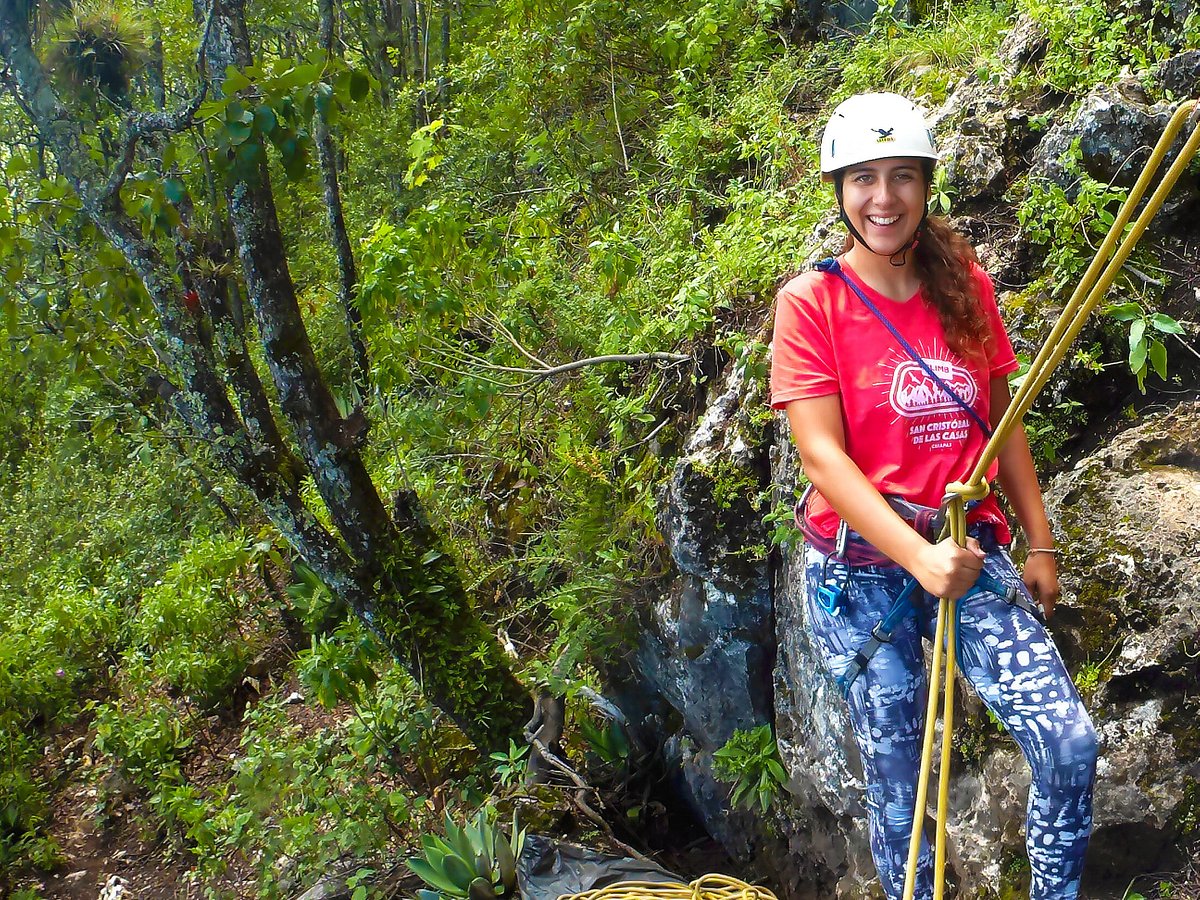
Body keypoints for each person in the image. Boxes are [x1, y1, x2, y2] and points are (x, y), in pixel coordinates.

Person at [769, 92, 1098, 900]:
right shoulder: (812, 305)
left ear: (926, 186)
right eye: (865, 179)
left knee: (1067, 743)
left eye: (903, 178)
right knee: (901, 787)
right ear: (839, 192)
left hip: (966, 548)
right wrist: (916, 557)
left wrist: (1040, 541)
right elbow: (822, 456)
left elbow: (1003, 422)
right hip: (864, 574)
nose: (884, 198)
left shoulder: (964, 286)